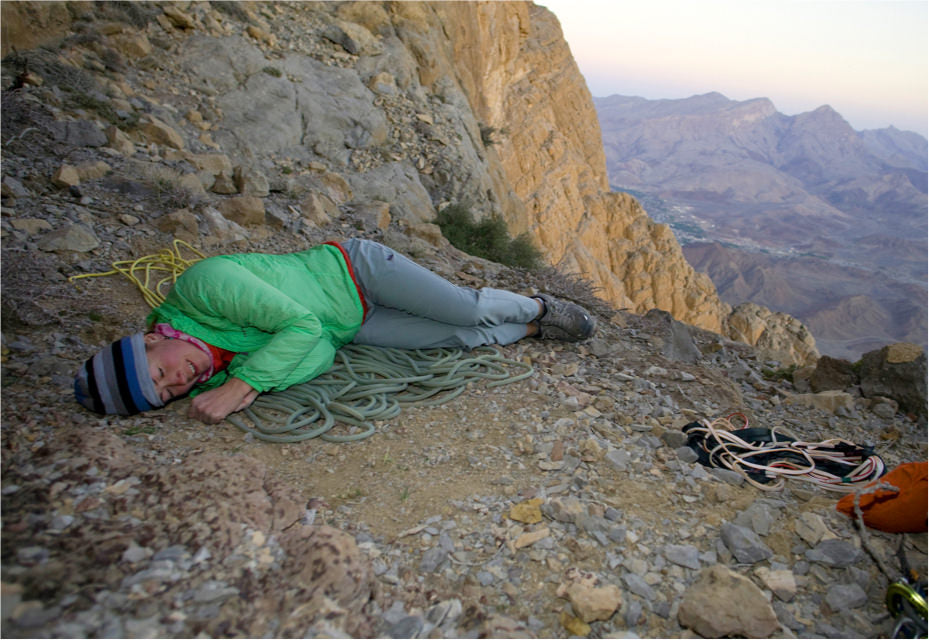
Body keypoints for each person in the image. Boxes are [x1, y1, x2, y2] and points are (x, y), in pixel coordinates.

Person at [74, 238, 595, 424]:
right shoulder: (211, 372)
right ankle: (528, 330)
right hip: (353, 324)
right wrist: (252, 373)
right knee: (453, 340)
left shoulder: (204, 286)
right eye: (166, 393)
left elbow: (301, 325)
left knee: (463, 311)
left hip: (355, 270)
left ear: (148, 339)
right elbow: (319, 349)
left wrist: (245, 384)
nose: (177, 382)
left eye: (159, 372)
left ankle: (539, 304)